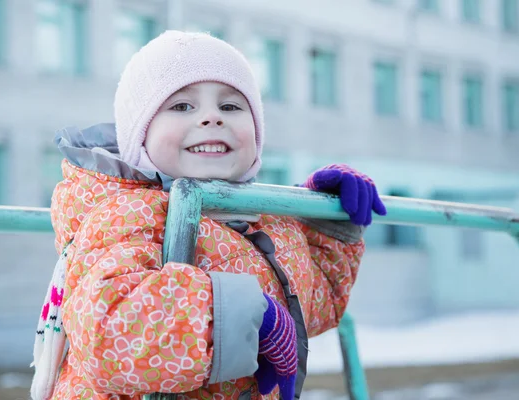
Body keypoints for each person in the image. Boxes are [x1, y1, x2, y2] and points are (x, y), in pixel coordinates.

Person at [30, 31, 387, 400]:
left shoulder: (266, 220)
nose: (212, 118)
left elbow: (316, 308)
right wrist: (245, 315)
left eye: (231, 106)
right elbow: (109, 332)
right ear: (139, 135)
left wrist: (323, 218)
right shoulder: (126, 213)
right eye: (182, 106)